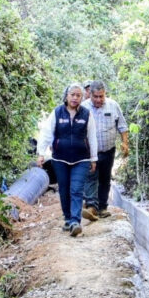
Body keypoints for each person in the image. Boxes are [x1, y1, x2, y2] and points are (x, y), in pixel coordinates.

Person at [37, 83, 97, 236]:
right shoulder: (57, 112)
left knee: (76, 189)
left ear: (82, 98)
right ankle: (68, 218)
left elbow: (92, 137)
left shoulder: (86, 114)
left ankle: (75, 221)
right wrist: (41, 153)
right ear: (67, 96)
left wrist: (93, 158)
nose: (75, 98)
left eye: (78, 95)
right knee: (64, 190)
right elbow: (47, 133)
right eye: (73, 95)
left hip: (81, 159)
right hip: (60, 159)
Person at [80, 80, 129, 220]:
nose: (98, 100)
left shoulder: (113, 105)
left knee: (105, 178)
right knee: (90, 177)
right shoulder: (83, 108)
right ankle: (91, 207)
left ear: (105, 94)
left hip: (108, 150)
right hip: (89, 153)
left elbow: (122, 126)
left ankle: (101, 207)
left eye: (101, 96)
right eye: (95, 97)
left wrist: (125, 143)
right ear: (90, 95)